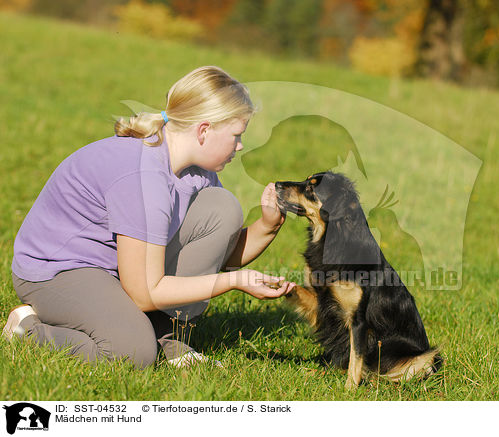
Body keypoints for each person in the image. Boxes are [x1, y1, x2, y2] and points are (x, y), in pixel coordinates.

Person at [2, 66, 296, 369]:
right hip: (59, 272)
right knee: (131, 353)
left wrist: (267, 226)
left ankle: (166, 338)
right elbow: (145, 293)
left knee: (222, 207)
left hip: (117, 270)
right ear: (204, 130)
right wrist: (233, 282)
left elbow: (218, 257)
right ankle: (29, 329)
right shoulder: (143, 176)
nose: (240, 145)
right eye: (236, 135)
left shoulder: (198, 173)